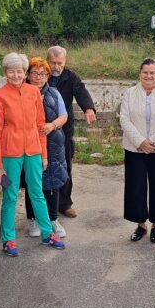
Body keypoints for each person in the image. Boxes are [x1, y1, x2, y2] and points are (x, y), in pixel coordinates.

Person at [0, 53, 66, 257]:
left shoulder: (33, 92)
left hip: (33, 149)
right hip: (10, 151)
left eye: (19, 71)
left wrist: (43, 154)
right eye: (11, 71)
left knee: (37, 192)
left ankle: (47, 233)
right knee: (11, 195)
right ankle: (8, 239)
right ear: (5, 72)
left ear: (25, 73)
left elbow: (40, 125)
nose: (16, 75)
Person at [119, 58, 155, 244]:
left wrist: (154, 142)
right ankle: (141, 225)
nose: (148, 76)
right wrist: (141, 142)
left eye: (152, 72)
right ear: (140, 73)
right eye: (145, 72)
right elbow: (124, 120)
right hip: (135, 149)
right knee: (136, 188)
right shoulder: (129, 93)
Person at [46, 45, 96, 218]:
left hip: (64, 129)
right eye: (53, 63)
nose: (56, 67)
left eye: (60, 63)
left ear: (65, 62)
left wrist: (88, 108)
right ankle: (43, 205)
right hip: (42, 128)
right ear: (47, 61)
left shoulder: (70, 76)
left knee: (65, 164)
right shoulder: (39, 74)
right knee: (42, 167)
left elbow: (81, 91)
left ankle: (65, 204)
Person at [23, 57, 69, 239]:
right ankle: (32, 219)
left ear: (48, 76)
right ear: (28, 75)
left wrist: (52, 125)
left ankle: (53, 219)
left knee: (53, 182)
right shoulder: (23, 92)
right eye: (35, 73)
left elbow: (64, 116)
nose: (38, 77)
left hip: (53, 143)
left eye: (43, 74)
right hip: (30, 144)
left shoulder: (54, 94)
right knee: (31, 182)